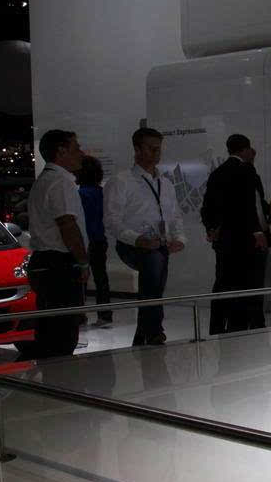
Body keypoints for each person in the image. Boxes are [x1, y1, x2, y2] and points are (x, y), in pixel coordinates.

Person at [104, 128, 187, 346]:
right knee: (154, 265)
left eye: (158, 148)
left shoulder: (166, 184)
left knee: (155, 280)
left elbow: (175, 216)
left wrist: (179, 238)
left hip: (159, 244)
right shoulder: (121, 181)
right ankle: (154, 330)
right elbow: (112, 221)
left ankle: (143, 334)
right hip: (131, 244)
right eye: (151, 148)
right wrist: (137, 239)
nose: (156, 152)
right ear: (137, 149)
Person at [21, 130, 88, 359]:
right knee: (63, 334)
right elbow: (67, 224)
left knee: (50, 330)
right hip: (59, 263)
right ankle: (60, 377)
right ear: (61, 152)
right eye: (76, 148)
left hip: (45, 261)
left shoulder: (44, 181)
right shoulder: (60, 182)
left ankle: (49, 374)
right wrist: (82, 261)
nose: (81, 153)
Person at [202, 134, 271, 333]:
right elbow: (247, 205)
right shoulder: (246, 170)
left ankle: (217, 326)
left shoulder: (217, 173)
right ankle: (242, 326)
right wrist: (257, 231)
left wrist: (211, 228)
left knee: (223, 283)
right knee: (248, 284)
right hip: (246, 239)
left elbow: (207, 207)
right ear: (245, 150)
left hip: (225, 240)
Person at [76, 156, 112, 327]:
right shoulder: (101, 192)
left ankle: (80, 315)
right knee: (101, 278)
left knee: (81, 278)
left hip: (85, 239)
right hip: (99, 238)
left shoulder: (80, 194)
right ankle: (105, 315)